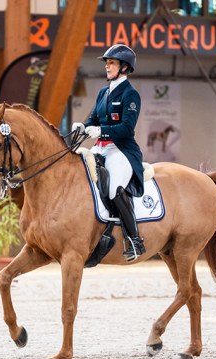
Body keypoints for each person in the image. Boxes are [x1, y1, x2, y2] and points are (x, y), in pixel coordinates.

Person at [72, 44, 145, 262]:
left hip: (120, 150)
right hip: (99, 147)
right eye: (107, 63)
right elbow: (93, 118)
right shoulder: (104, 93)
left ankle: (134, 240)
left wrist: (102, 130)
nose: (107, 67)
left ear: (124, 67)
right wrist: (83, 126)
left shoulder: (131, 95)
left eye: (111, 63)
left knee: (114, 188)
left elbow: (126, 128)